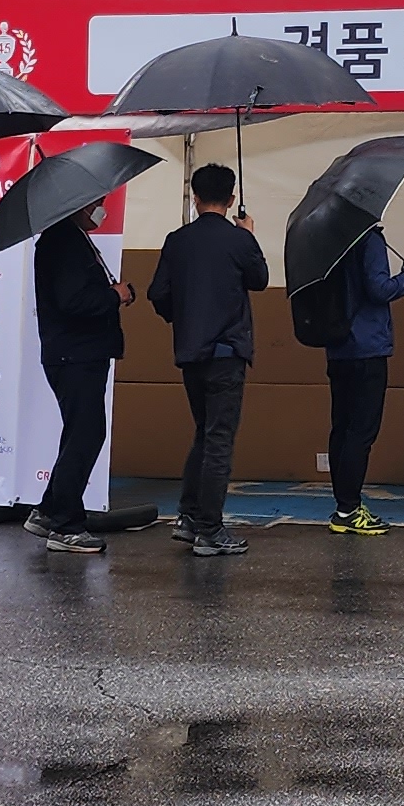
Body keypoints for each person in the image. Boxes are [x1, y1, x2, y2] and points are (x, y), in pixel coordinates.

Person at [150, 165, 268, 557]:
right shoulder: (238, 240)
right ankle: (210, 530)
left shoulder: (176, 240)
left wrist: (183, 318)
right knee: (219, 440)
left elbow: (158, 293)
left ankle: (188, 516)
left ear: (195, 197)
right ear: (231, 199)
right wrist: (248, 235)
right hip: (226, 354)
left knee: (204, 432)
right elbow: (259, 279)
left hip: (191, 353)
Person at [29, 195, 135, 556]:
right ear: (79, 203)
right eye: (97, 203)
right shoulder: (63, 242)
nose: (101, 210)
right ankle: (66, 526)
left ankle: (49, 510)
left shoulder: (69, 239)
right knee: (87, 434)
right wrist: (114, 296)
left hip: (78, 353)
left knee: (79, 432)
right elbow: (74, 301)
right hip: (75, 354)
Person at [324, 222, 404, 533]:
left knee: (342, 427)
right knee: (362, 430)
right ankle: (349, 508)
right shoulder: (369, 239)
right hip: (368, 346)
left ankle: (343, 504)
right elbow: (379, 289)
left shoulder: (330, 239)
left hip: (338, 346)